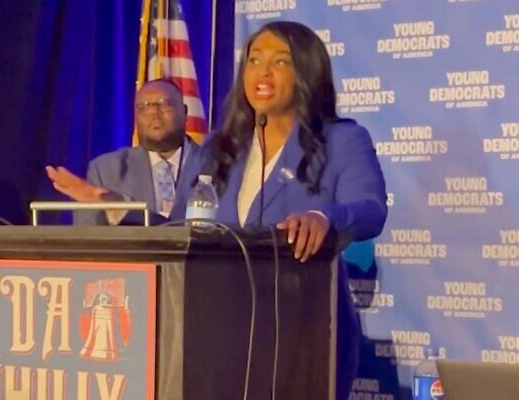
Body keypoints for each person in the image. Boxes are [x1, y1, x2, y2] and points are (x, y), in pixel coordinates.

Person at [48, 21, 387, 399]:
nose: (262, 71)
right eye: (254, 60)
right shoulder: (218, 149)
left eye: (280, 61)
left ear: (307, 70)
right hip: (222, 338)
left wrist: (325, 218)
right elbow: (180, 230)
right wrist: (110, 203)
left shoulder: (342, 139)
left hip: (304, 336)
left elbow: (371, 209)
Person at [46, 79, 200, 224]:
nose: (154, 113)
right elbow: (88, 236)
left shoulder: (211, 164)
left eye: (164, 104)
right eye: (143, 107)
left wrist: (120, 207)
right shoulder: (106, 170)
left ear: (185, 112)